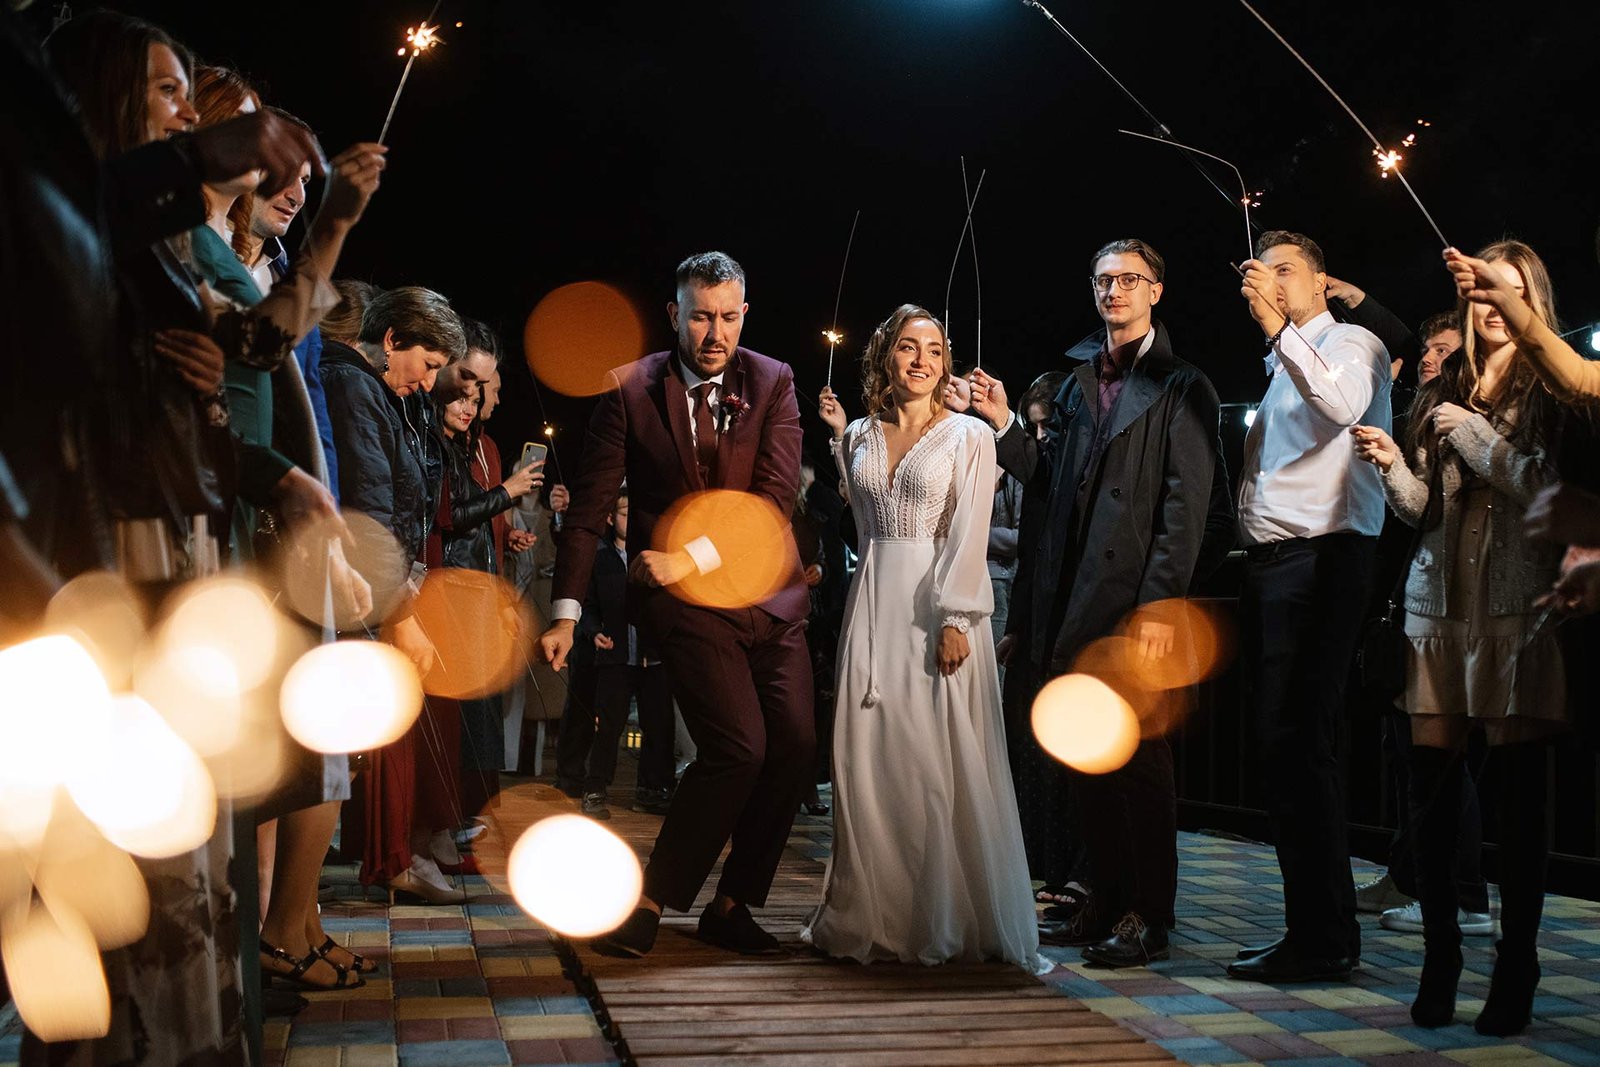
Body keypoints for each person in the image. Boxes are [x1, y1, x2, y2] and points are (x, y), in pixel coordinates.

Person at [538, 251, 814, 958]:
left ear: (744, 314)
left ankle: (732, 904)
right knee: (738, 747)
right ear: (674, 315)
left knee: (793, 746)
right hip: (683, 603)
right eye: (700, 317)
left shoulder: (774, 381)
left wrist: (692, 556)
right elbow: (590, 509)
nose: (714, 334)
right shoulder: (630, 389)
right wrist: (566, 612)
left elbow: (775, 498)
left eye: (727, 317)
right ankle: (648, 901)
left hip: (768, 596)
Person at [968, 238, 1223, 967]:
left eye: (1129, 279)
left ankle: (1149, 914)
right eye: (1104, 280)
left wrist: (1159, 609)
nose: (1115, 291)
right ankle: (1105, 900)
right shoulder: (1079, 383)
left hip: (1131, 606)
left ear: (1155, 292)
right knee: (1087, 760)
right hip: (1070, 602)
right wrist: (1004, 423)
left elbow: (1186, 509)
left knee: (1140, 764)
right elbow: (1048, 490)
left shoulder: (1184, 385)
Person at [1352, 239, 1570, 1034]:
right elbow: (1423, 510)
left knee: (1519, 801)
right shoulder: (1447, 386)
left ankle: (1517, 964)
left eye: (1507, 290)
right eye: (1482, 289)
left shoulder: (1554, 388)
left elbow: (1547, 490)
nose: (1490, 304)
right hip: (1435, 609)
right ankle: (1439, 955)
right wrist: (1390, 464)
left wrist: (1474, 435)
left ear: (1532, 301)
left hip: (1518, 611)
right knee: (1431, 794)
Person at [809, 304, 1044, 973]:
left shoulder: (970, 435)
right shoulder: (857, 434)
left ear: (946, 363)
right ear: (885, 355)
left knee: (931, 762)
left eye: (935, 349)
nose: (921, 360)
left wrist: (956, 617)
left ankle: (941, 915)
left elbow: (970, 532)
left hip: (938, 608)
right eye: (908, 347)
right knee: (866, 756)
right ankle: (872, 914)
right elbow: (862, 527)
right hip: (872, 603)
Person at [1227, 230, 1390, 984]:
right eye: (1262, 271)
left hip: (1322, 560)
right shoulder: (1283, 365)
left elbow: (1343, 404)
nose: (1270, 281)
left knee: (1301, 742)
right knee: (1284, 746)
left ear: (1323, 282)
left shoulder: (1353, 342)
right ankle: (1314, 929)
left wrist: (1276, 328)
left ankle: (1325, 938)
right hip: (1278, 566)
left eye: (1286, 270)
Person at [320, 285, 468, 904]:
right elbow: (371, 512)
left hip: (376, 590)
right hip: (365, 597)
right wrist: (401, 612)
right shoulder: (355, 387)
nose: (430, 383)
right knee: (347, 750)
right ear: (391, 339)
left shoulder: (373, 391)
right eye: (428, 365)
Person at [553, 489, 656, 820]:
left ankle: (654, 788)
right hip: (614, 654)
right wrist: (593, 630)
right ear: (611, 518)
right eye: (625, 513)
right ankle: (593, 787)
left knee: (657, 724)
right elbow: (589, 602)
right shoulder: (601, 557)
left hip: (650, 655)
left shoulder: (649, 556)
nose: (631, 520)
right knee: (607, 724)